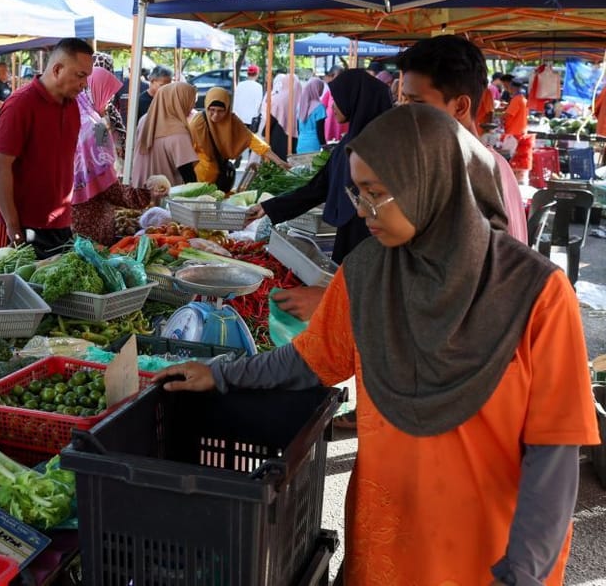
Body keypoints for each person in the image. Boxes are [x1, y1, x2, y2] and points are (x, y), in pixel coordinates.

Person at [160, 104, 597, 586]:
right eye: (358, 192)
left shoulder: (536, 292)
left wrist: (524, 574)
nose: (362, 212)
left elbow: (554, 449)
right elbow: (311, 361)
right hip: (389, 539)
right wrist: (220, 374)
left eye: (376, 194)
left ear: (431, 182)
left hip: (490, 554)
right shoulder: (366, 272)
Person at [250, 69, 393, 263]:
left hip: (373, 244)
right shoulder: (349, 143)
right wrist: (270, 207)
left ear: (355, 99)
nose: (332, 106)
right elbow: (319, 188)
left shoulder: (381, 148)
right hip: (349, 236)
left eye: (338, 99)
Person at [396, 35, 528, 244]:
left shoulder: (470, 174)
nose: (406, 112)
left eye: (417, 101)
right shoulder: (490, 165)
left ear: (460, 107)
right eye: (405, 99)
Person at [0, 37, 94, 257]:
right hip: (21, 225)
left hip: (59, 223)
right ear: (57, 69)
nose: (84, 84)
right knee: (17, 288)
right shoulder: (20, 104)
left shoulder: (73, 105)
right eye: (80, 75)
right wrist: (12, 226)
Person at [71, 68, 163, 245]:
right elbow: (105, 181)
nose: (109, 102)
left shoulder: (77, 116)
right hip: (92, 217)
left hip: (72, 211)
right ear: (98, 91)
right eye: (108, 95)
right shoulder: (94, 126)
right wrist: (142, 195)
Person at [188, 87, 288, 188]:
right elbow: (187, 152)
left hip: (221, 178)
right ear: (206, 106)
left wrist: (278, 161)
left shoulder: (232, 121)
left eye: (221, 111)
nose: (215, 115)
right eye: (212, 110)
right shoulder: (198, 123)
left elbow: (253, 141)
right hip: (199, 179)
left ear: (227, 109)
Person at [130, 82, 199, 187]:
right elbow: (188, 174)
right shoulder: (178, 132)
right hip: (164, 196)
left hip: (139, 190)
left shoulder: (145, 119)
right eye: (190, 101)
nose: (193, 106)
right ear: (177, 101)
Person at [501, 76, 533, 184]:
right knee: (519, 163)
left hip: (514, 135)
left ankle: (512, 182)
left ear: (512, 87)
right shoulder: (523, 99)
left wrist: (501, 116)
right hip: (521, 133)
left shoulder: (516, 99)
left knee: (511, 162)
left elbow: (508, 115)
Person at [294, 77, 327, 154]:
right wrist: (325, 146)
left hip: (301, 143)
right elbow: (320, 131)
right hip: (314, 144)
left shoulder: (300, 106)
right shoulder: (319, 107)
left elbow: (298, 129)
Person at [267, 73, 297, 157]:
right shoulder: (300, 98)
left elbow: (272, 118)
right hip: (294, 136)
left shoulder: (278, 98)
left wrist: (264, 132)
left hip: (278, 134)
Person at [232, 63, 264, 131]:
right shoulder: (259, 87)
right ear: (257, 74)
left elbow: (235, 102)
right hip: (252, 119)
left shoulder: (240, 85)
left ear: (247, 74)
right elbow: (259, 104)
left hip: (239, 118)